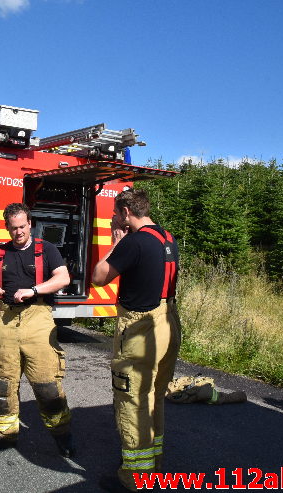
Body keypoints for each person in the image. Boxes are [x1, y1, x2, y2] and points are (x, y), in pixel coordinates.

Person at [91, 188, 181, 491]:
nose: (114, 218)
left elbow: (99, 276)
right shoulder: (167, 238)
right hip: (168, 322)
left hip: (141, 328)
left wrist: (115, 244)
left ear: (127, 212)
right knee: (154, 396)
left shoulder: (133, 242)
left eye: (116, 213)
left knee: (132, 401)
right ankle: (155, 466)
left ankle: (135, 479)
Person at [0, 203, 74, 457]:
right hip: (6, 319)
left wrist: (34, 290)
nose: (18, 232)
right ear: (7, 227)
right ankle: (4, 433)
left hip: (37, 318)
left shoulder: (46, 250)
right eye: (13, 228)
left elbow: (63, 278)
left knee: (46, 384)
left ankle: (62, 435)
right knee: (2, 382)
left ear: (30, 224)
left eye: (22, 227)